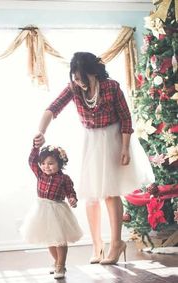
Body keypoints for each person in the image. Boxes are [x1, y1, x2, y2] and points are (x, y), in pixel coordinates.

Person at [33, 51, 155, 265]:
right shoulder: (74, 89)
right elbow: (52, 109)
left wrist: (125, 148)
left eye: (81, 76)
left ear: (92, 72)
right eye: (75, 77)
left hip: (113, 139)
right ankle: (97, 245)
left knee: (110, 192)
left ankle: (116, 243)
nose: (78, 81)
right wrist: (41, 132)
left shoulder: (111, 87)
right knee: (90, 195)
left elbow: (126, 119)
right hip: (91, 141)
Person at [20, 144, 83, 279]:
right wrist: (35, 147)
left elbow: (70, 192)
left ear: (60, 163)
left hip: (57, 209)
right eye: (43, 163)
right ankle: (57, 261)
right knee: (49, 239)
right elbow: (31, 160)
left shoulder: (64, 178)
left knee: (59, 240)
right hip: (42, 209)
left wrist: (72, 199)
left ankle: (61, 264)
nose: (46, 166)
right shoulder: (40, 174)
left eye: (50, 163)